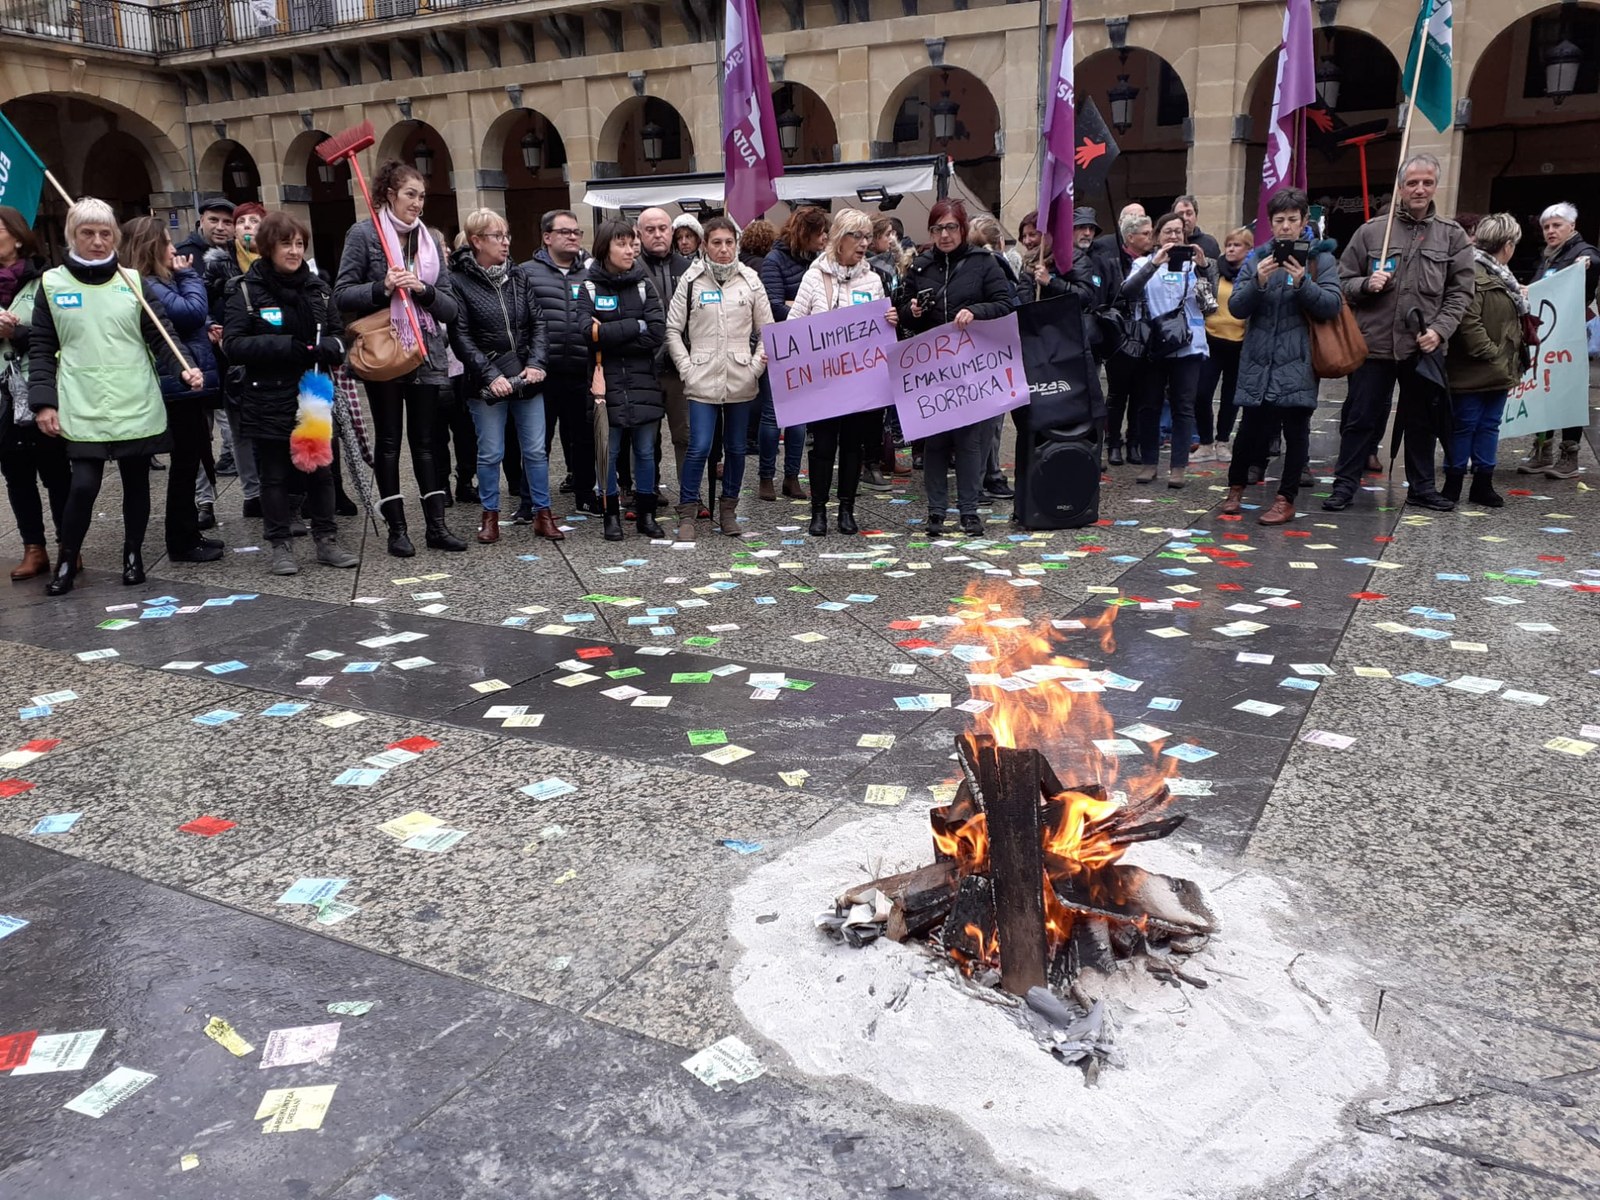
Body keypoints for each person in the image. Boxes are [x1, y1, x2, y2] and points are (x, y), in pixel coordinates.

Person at [29, 198, 203, 595]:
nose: (97, 241)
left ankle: (133, 555)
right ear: (72, 235)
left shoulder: (134, 282)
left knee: (136, 482)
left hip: (133, 396)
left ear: (116, 238)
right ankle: (67, 558)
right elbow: (41, 347)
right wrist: (44, 402)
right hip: (82, 399)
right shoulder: (52, 284)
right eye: (87, 233)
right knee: (83, 485)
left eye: (105, 233)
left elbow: (162, 335)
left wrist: (184, 367)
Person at [1326, 153, 1473, 511]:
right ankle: (1345, 485)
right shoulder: (1372, 231)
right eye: (1412, 183)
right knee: (1360, 419)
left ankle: (1421, 488)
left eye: (1427, 182)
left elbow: (1461, 291)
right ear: (1400, 188)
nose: (1419, 189)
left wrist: (1440, 330)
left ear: (1435, 186)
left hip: (1421, 348)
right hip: (1373, 345)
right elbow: (1341, 282)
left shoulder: (1452, 235)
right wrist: (1365, 284)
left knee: (1422, 422)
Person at [334, 158, 465, 555]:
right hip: (385, 351)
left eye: (422, 196)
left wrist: (424, 290)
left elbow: (451, 308)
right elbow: (342, 295)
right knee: (389, 440)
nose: (417, 203)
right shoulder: (363, 234)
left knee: (426, 442)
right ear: (389, 194)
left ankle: (436, 526)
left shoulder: (429, 240)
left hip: (426, 351)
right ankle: (397, 530)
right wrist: (383, 287)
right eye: (410, 194)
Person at [222, 212, 359, 575]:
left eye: (299, 244)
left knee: (320, 472)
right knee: (274, 475)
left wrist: (331, 347)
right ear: (269, 247)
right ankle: (280, 544)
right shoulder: (246, 290)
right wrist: (287, 347)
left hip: (311, 392)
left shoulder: (318, 289)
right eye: (286, 244)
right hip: (266, 395)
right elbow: (233, 345)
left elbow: (338, 335)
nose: (295, 251)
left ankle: (326, 539)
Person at [1220, 188, 1341, 526]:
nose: (1285, 226)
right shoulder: (1257, 259)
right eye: (1279, 220)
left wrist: (1304, 283)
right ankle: (1235, 489)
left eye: (1292, 220)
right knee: (1249, 428)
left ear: (1303, 222)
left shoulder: (1320, 259)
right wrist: (1258, 281)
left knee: (1296, 430)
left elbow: (1332, 305)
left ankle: (1285, 499)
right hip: (1258, 358)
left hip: (1298, 359)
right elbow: (1236, 307)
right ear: (1270, 224)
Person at [898, 200, 1013, 535]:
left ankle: (969, 510)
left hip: (972, 366)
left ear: (962, 229)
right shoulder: (920, 267)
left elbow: (1005, 304)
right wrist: (912, 312)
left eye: (950, 227)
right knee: (935, 442)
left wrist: (976, 311)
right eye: (937, 229)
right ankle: (936, 511)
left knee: (969, 441)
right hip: (932, 367)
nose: (944, 235)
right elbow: (902, 310)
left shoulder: (984, 263)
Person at [448, 208, 561, 545]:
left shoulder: (518, 275)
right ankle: (490, 515)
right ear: (476, 241)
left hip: (527, 378)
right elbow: (460, 336)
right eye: (497, 236)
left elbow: (538, 322)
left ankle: (543, 514)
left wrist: (537, 363)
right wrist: (489, 375)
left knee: (536, 451)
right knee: (490, 452)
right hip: (487, 385)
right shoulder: (458, 281)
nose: (506, 242)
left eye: (507, 235)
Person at [120, 216, 226, 565]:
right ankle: (181, 539)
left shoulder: (156, 281)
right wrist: (188, 275)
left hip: (182, 383)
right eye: (166, 242)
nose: (173, 249)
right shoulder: (149, 283)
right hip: (175, 386)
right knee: (185, 460)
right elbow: (191, 312)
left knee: (190, 457)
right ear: (151, 247)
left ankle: (187, 532)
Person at [792, 208, 901, 537]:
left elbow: (880, 331)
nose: (864, 243)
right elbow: (795, 324)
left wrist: (890, 320)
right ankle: (818, 511)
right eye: (857, 236)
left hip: (858, 383)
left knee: (853, 446)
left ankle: (847, 509)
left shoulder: (873, 280)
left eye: (868, 236)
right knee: (824, 446)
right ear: (839, 239)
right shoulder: (814, 277)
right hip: (824, 381)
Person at [666, 215, 773, 541]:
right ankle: (688, 512)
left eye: (729, 242)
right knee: (698, 446)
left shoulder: (750, 279)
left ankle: (728, 511)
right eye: (717, 243)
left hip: (740, 375)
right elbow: (673, 329)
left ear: (736, 244)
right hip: (701, 375)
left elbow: (767, 331)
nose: (724, 249)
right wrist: (686, 367)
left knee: (736, 448)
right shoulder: (691, 280)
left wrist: (755, 367)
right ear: (705, 245)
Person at [579, 219, 667, 542]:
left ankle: (646, 514)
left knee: (645, 451)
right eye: (622, 244)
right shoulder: (589, 287)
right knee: (609, 452)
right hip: (606, 383)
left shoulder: (643, 285)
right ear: (605, 248)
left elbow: (656, 332)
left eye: (632, 244)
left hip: (643, 382)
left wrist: (606, 333)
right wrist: (634, 325)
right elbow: (586, 333)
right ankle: (611, 516)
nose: (630, 250)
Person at [1120, 210, 1214, 487]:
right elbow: (1127, 292)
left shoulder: (1196, 265)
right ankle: (1149, 463)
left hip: (1189, 345)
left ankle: (1178, 468)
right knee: (1149, 405)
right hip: (1154, 344)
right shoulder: (1143, 263)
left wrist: (1204, 267)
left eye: (1178, 231)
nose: (1174, 236)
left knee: (1183, 406)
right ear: (1157, 236)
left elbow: (1211, 302)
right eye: (1168, 231)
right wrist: (1154, 264)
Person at [0, 206, 69, 581]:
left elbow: (58, 336)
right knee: (16, 474)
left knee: (56, 472)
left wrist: (16, 333)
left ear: (16, 236)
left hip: (39, 387)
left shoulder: (46, 280)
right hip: (2, 398)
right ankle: (33, 549)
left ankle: (68, 545)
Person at [1444, 213, 1527, 508]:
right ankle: (1453, 483)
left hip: (1498, 367)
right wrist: (1491, 353)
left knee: (1489, 425)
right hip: (1475, 368)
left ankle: (1483, 483)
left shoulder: (1502, 276)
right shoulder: (1474, 273)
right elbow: (1468, 321)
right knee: (1465, 425)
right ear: (1507, 245)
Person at [523, 209, 599, 515]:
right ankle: (531, 502)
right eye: (565, 232)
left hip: (582, 369)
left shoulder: (591, 274)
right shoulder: (527, 273)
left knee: (583, 438)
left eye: (576, 232)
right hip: (542, 371)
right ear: (547, 237)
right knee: (537, 441)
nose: (572, 237)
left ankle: (586, 495)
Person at [1517, 202, 1600, 480]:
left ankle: (1569, 455)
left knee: (1568, 393)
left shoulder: (1582, 251)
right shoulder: (1548, 257)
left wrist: (1586, 264)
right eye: (1546, 227)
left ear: (1571, 226)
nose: (1550, 231)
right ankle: (1542, 450)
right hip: (1548, 336)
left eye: (1556, 225)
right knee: (1544, 391)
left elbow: (1593, 260)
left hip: (1569, 337)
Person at [759, 205, 828, 501]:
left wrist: (797, 306)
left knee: (800, 415)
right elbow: (773, 305)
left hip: (807, 345)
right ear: (805, 233)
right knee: (772, 414)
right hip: (779, 343)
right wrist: (808, 312)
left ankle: (791, 477)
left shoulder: (819, 262)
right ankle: (766, 477)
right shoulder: (774, 260)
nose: (824, 239)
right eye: (820, 233)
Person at [634, 207, 691, 498]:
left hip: (681, 368)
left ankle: (690, 495)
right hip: (644, 368)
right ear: (639, 234)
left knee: (686, 436)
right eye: (650, 230)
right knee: (646, 439)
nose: (658, 234)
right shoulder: (632, 269)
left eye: (663, 228)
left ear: (672, 232)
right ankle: (647, 492)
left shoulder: (689, 268)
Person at [1098, 209, 1153, 464]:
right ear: (1130, 237)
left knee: (1140, 394)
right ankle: (1113, 443)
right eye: (1145, 234)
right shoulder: (1113, 263)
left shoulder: (1155, 261)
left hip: (1147, 334)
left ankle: (1134, 442)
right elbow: (1109, 298)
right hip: (1121, 336)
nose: (1150, 238)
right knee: (1117, 393)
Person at [1196, 227, 1252, 465]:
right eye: (1228, 244)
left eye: (1237, 245)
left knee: (1231, 397)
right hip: (1212, 340)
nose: (1230, 249)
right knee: (1201, 393)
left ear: (1248, 250)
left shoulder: (1252, 273)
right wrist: (1201, 264)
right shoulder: (1215, 268)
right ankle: (1206, 443)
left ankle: (1222, 441)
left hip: (1239, 344)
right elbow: (1202, 276)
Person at [174, 195, 234, 265]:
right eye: (214, 220)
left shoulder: (241, 254)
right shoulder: (180, 254)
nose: (220, 227)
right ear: (202, 221)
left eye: (227, 222)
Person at [1173, 195, 1222, 262]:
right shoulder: (1167, 241)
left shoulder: (1209, 243)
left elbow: (1216, 267)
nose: (1185, 218)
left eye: (1189, 213)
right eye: (1180, 214)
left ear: (1196, 217)